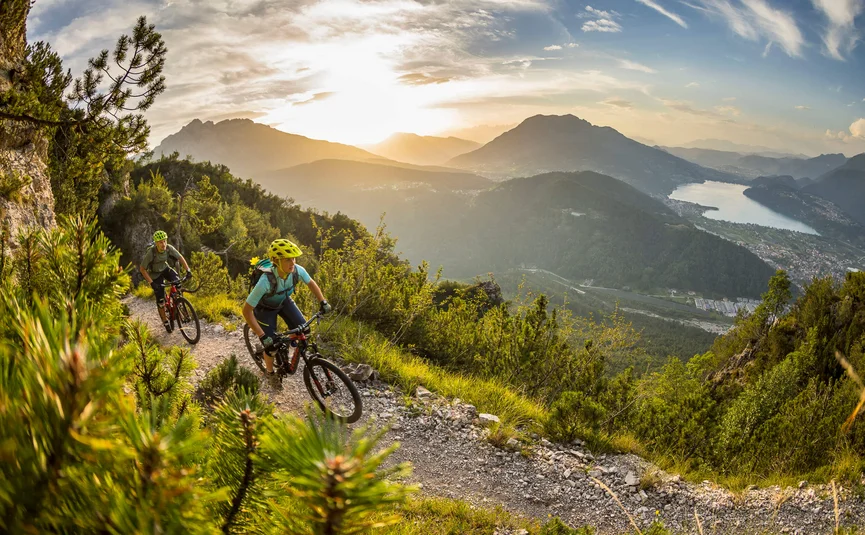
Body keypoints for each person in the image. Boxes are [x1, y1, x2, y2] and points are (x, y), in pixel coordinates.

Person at [242, 238, 331, 388]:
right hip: (265, 309)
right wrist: (262, 336)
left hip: (283, 301)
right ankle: (270, 374)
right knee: (271, 347)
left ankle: (285, 351)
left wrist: (323, 301)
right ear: (276, 260)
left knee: (304, 330)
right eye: (287, 259)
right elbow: (246, 311)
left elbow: (311, 283)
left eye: (293, 258)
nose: (292, 263)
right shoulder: (265, 281)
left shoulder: (297, 270)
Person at [139, 230, 191, 332]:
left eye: (164, 241)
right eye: (160, 242)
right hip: (155, 275)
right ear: (156, 243)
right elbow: (142, 269)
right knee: (161, 300)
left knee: (177, 283)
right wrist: (152, 283)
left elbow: (180, 257)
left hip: (165, 269)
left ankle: (178, 303)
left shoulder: (169, 248)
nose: (163, 244)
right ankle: (165, 321)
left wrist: (188, 270)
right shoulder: (151, 252)